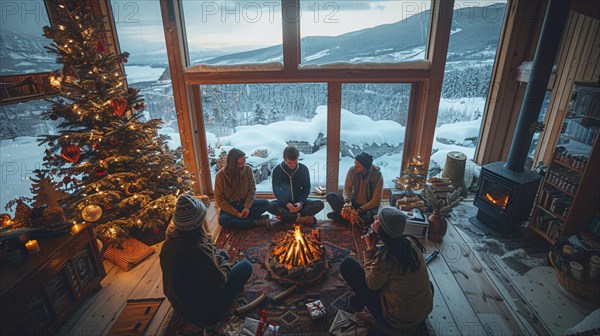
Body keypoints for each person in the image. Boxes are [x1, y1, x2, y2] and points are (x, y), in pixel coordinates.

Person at [160, 194, 253, 326]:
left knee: (220, 256)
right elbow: (220, 280)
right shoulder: (197, 250)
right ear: (199, 222)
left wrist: (217, 257)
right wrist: (224, 263)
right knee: (246, 266)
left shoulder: (168, 243)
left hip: (180, 305)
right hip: (202, 312)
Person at [340, 206, 433, 333]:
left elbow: (371, 284)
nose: (374, 217)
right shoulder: (411, 242)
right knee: (428, 285)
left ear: (383, 229)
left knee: (347, 264)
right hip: (422, 310)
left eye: (378, 218)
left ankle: (385, 325)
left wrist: (369, 251)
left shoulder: (386, 256)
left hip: (397, 319)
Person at [214, 148, 270, 229]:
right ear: (232, 164)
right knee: (223, 220)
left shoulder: (248, 170)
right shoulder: (220, 176)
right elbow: (219, 199)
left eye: (244, 163)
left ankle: (241, 222)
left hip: (245, 204)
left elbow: (252, 190)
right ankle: (255, 222)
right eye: (240, 164)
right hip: (230, 208)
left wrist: (247, 207)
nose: (243, 166)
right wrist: (236, 213)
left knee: (266, 204)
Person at [269, 145, 324, 225]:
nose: (292, 165)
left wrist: (300, 203)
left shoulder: (303, 169)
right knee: (269, 205)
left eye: (295, 162)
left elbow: (306, 189)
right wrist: (286, 204)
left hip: (300, 205)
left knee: (319, 204)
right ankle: (300, 218)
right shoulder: (277, 170)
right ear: (284, 159)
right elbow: (277, 191)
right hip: (285, 205)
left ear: (298, 158)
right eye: (289, 163)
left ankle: (288, 218)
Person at [326, 152, 383, 228]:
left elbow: (376, 200)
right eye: (355, 164)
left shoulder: (377, 175)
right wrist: (347, 202)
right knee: (330, 196)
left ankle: (346, 218)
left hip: (366, 209)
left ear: (365, 168)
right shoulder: (352, 170)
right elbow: (347, 189)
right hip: (352, 204)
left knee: (370, 218)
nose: (355, 167)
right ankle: (353, 220)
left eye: (358, 166)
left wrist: (360, 210)